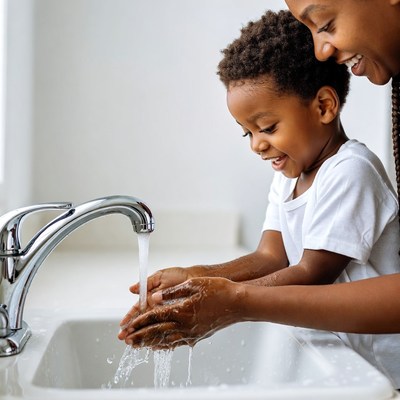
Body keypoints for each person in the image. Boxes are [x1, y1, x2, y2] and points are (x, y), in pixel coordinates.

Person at [118, 9, 400, 386]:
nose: (256, 144)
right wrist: (199, 277)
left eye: (267, 128)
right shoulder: (291, 175)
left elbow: (311, 274)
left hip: (386, 369)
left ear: (323, 107)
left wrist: (228, 298)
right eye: (246, 133)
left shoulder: (350, 171)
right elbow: (270, 257)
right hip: (350, 360)